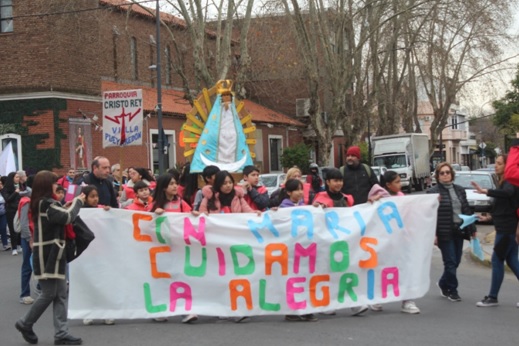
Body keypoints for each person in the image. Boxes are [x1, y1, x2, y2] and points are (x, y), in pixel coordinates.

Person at [15, 170, 85, 345]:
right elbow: (67, 218)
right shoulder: (45, 203)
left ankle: (61, 333)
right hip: (48, 254)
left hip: (54, 253)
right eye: (54, 183)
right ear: (47, 185)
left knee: (60, 293)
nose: (57, 185)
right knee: (48, 293)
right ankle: (25, 323)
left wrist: (66, 204)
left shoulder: (44, 203)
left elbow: (59, 215)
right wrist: (77, 202)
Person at [312, 168, 369, 317]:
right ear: (328, 182)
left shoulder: (347, 199)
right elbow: (314, 215)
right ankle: (327, 303)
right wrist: (319, 209)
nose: (338, 184)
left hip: (345, 242)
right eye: (335, 180)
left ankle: (353, 303)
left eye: (340, 180)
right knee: (329, 273)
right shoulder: (320, 199)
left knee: (349, 271)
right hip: (327, 244)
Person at [367, 171, 421, 314]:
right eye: (397, 182)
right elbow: (369, 215)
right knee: (382, 269)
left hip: (401, 241)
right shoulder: (378, 199)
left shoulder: (402, 198)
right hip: (384, 242)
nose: (400, 184)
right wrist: (375, 200)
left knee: (405, 269)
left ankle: (408, 300)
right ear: (388, 185)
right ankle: (377, 298)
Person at [471, 154, 519, 307]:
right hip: (506, 227)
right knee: (511, 260)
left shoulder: (510, 183)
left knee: (497, 260)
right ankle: (492, 297)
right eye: (496, 163)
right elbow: (505, 208)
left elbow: (508, 195)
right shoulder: (503, 182)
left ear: (507, 166)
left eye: (499, 163)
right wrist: (489, 219)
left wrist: (486, 191)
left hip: (507, 229)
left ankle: (492, 297)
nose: (495, 166)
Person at [150, 173, 197, 324]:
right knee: (163, 279)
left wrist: (194, 214)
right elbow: (144, 222)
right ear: (163, 187)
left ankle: (185, 311)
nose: (175, 186)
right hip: (161, 248)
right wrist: (153, 214)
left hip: (179, 247)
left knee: (181, 277)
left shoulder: (181, 203)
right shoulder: (156, 204)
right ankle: (161, 309)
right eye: (171, 184)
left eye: (175, 183)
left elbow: (189, 216)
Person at [427, 162, 476, 302]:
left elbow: (466, 210)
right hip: (444, 232)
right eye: (442, 173)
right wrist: (434, 234)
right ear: (438, 176)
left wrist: (472, 229)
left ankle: (443, 283)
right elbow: (430, 215)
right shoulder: (433, 193)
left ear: (452, 174)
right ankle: (453, 290)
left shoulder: (460, 190)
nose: (445, 175)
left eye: (447, 172)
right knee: (450, 262)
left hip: (459, 230)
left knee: (456, 261)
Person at [277, 178, 318, 322]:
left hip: (303, 250)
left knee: (304, 279)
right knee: (291, 280)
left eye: (302, 189)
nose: (300, 192)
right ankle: (292, 310)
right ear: (288, 192)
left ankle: (306, 308)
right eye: (297, 190)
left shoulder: (304, 207)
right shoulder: (283, 208)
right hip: (290, 251)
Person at [79, 185, 114, 326]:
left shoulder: (101, 210)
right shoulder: (80, 211)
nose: (95, 199)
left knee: (104, 282)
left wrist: (109, 213)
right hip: (86, 253)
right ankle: (89, 312)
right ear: (85, 197)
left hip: (101, 252)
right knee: (89, 283)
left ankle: (107, 312)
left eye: (96, 196)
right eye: (92, 196)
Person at [2, 171, 23, 255]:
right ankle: (14, 248)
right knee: (12, 228)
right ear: (12, 178)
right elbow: (8, 199)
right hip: (10, 210)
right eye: (16, 177)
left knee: (20, 227)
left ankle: (19, 245)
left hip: (20, 209)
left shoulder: (21, 186)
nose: (18, 179)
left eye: (18, 177)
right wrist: (16, 192)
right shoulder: (5, 189)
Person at [0, 176, 10, 250]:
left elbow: (7, 199)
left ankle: (5, 244)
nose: (0, 185)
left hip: (3, 212)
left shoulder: (3, 191)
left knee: (3, 227)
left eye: (1, 183)